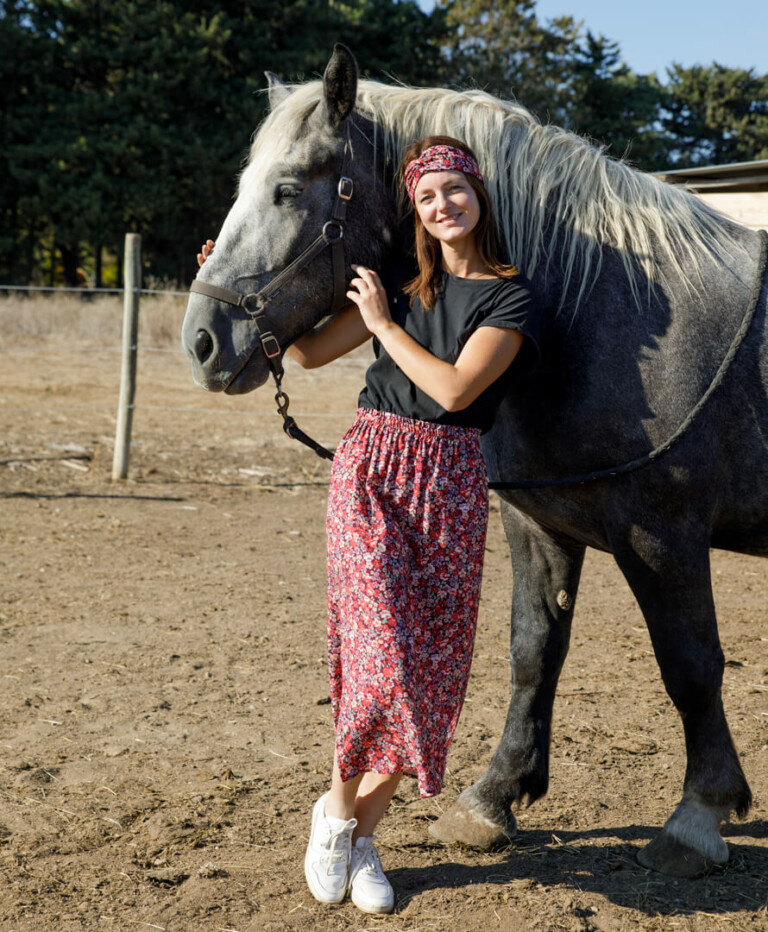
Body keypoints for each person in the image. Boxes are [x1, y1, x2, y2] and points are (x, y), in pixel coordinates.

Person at [197, 136, 541, 915]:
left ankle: (347, 831)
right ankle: (343, 830)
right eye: (427, 197)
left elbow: (456, 392)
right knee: (381, 663)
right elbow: (312, 352)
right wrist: (228, 286)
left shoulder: (512, 298)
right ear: (415, 213)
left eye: (454, 189)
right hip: (373, 470)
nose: (443, 204)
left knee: (431, 682)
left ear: (478, 198)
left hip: (449, 483)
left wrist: (385, 325)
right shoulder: (400, 286)